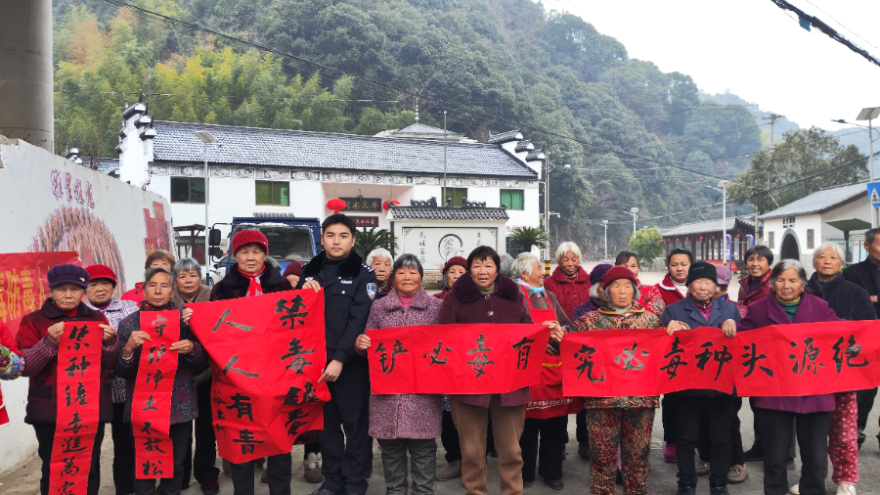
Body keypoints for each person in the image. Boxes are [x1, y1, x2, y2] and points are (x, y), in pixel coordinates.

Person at [439, 246, 552, 495]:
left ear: (497, 269)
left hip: (509, 384)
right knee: (471, 450)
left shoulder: (514, 296)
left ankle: (512, 491)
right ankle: (475, 491)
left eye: (488, 265)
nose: (483, 271)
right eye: (477, 265)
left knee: (511, 449)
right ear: (469, 270)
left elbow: (527, 328)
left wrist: (543, 330)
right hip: (468, 385)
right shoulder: (454, 298)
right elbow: (445, 337)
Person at [738, 260, 840, 495]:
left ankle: (812, 491)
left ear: (802, 285)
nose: (786, 285)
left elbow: (841, 333)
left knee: (815, 456)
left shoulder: (821, 307)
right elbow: (741, 341)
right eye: (781, 280)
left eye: (793, 280)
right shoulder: (758, 310)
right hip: (773, 394)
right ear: (772, 284)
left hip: (815, 393)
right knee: (775, 456)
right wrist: (729, 327)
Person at [17, 264, 119, 495]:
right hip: (50, 410)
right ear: (51, 291)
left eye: (74, 289)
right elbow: (26, 366)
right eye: (61, 289)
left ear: (83, 291)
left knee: (89, 466)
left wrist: (110, 343)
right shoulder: (34, 321)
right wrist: (49, 343)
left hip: (89, 407)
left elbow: (110, 365)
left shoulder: (96, 317)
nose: (68, 294)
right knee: (55, 468)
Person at [208, 230, 294, 495]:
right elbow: (213, 332)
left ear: (265, 255)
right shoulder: (222, 289)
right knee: (243, 438)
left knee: (278, 438)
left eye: (256, 251)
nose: (250, 257)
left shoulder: (281, 285)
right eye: (244, 251)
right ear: (235, 256)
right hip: (238, 375)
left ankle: (280, 491)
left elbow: (294, 328)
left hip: (276, 374)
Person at [297, 214, 377, 495]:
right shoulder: (309, 271)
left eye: (343, 236)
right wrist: (301, 292)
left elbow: (358, 321)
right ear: (322, 239)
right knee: (326, 427)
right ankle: (332, 481)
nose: (336, 241)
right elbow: (297, 316)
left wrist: (339, 359)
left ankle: (355, 482)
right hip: (315, 364)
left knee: (356, 427)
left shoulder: (364, 274)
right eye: (330, 235)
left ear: (353, 240)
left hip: (350, 364)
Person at [568, 266, 662, 495]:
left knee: (638, 458)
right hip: (602, 402)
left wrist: (680, 328)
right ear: (606, 290)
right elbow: (565, 340)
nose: (622, 291)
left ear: (634, 290)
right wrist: (551, 331)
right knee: (602, 458)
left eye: (627, 286)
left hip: (640, 402)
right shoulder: (590, 321)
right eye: (616, 286)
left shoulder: (650, 321)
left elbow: (670, 346)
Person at [354, 254, 443, 495]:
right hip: (387, 394)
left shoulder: (436, 307)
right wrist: (361, 344)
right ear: (393, 278)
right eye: (402, 272)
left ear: (421, 278)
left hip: (423, 394)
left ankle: (423, 492)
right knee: (391, 449)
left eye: (413, 272)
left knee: (424, 448)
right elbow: (368, 342)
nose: (407, 277)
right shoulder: (379, 307)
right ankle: (395, 491)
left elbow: (447, 345)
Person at [790, 242, 874, 495]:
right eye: (822, 257)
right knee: (811, 432)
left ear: (842, 263)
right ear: (813, 262)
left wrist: (852, 347)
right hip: (808, 371)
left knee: (844, 430)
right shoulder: (799, 290)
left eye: (833, 257)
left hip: (843, 373)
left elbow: (869, 331)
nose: (827, 261)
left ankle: (847, 479)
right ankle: (813, 479)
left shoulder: (856, 292)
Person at [117, 267, 207, 495]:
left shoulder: (186, 320)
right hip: (143, 407)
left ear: (172, 290)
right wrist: (128, 349)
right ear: (144, 290)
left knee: (175, 466)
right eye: (152, 285)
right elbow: (122, 370)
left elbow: (202, 361)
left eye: (164, 285)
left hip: (178, 406)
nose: (158, 291)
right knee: (144, 466)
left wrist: (191, 348)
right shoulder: (129, 324)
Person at [662, 262, 741, 495]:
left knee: (721, 439)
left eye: (708, 282)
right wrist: (667, 329)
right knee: (686, 438)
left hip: (721, 388)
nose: (704, 286)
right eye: (698, 281)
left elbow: (743, 345)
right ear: (689, 285)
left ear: (716, 286)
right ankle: (686, 484)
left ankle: (719, 484)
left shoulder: (730, 311)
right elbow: (661, 347)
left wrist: (735, 326)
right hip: (687, 389)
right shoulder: (673, 311)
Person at [511, 253, 571, 490]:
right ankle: (524, 473)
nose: (543, 273)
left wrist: (560, 333)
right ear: (524, 274)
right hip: (528, 367)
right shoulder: (515, 296)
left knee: (555, 423)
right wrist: (539, 334)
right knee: (527, 425)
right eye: (538, 268)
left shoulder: (549, 296)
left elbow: (565, 323)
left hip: (554, 366)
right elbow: (510, 329)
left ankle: (552, 471)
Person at [83, 264, 139, 495]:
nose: (100, 288)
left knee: (125, 443)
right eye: (93, 284)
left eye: (105, 283)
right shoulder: (77, 312)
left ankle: (126, 488)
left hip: (124, 389)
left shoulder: (130, 308)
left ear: (114, 286)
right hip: (91, 392)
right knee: (90, 446)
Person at [169, 258, 220, 494]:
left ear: (200, 278)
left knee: (206, 427)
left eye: (193, 275)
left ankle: (207, 473)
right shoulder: (167, 301)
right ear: (175, 281)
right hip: (177, 374)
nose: (188, 280)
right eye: (182, 276)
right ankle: (179, 475)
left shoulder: (213, 297)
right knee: (180, 428)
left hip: (208, 372)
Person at [642, 248, 692, 462]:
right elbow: (649, 319)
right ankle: (672, 441)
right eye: (674, 264)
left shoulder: (701, 287)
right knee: (672, 397)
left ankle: (697, 441)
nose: (679, 268)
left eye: (684, 264)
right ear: (668, 266)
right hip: (670, 353)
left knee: (697, 399)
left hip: (697, 353)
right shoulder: (656, 291)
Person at [737, 245, 778, 464]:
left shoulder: (775, 283)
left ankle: (784, 454)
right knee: (758, 402)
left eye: (760, 259)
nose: (755, 264)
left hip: (773, 349)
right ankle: (760, 447)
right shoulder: (745, 284)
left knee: (779, 403)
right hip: (753, 350)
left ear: (769, 263)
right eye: (751, 259)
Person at [843, 227, 880, 450]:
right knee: (865, 390)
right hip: (865, 340)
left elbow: (867, 299)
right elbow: (853, 303)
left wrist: (874, 298)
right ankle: (855, 431)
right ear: (867, 246)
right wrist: (869, 300)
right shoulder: (852, 273)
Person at [544, 242, 591, 319]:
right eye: (565, 260)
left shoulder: (590, 281)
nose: (570, 264)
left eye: (574, 260)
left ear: (579, 260)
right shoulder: (548, 283)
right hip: (559, 326)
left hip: (587, 326)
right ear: (559, 261)